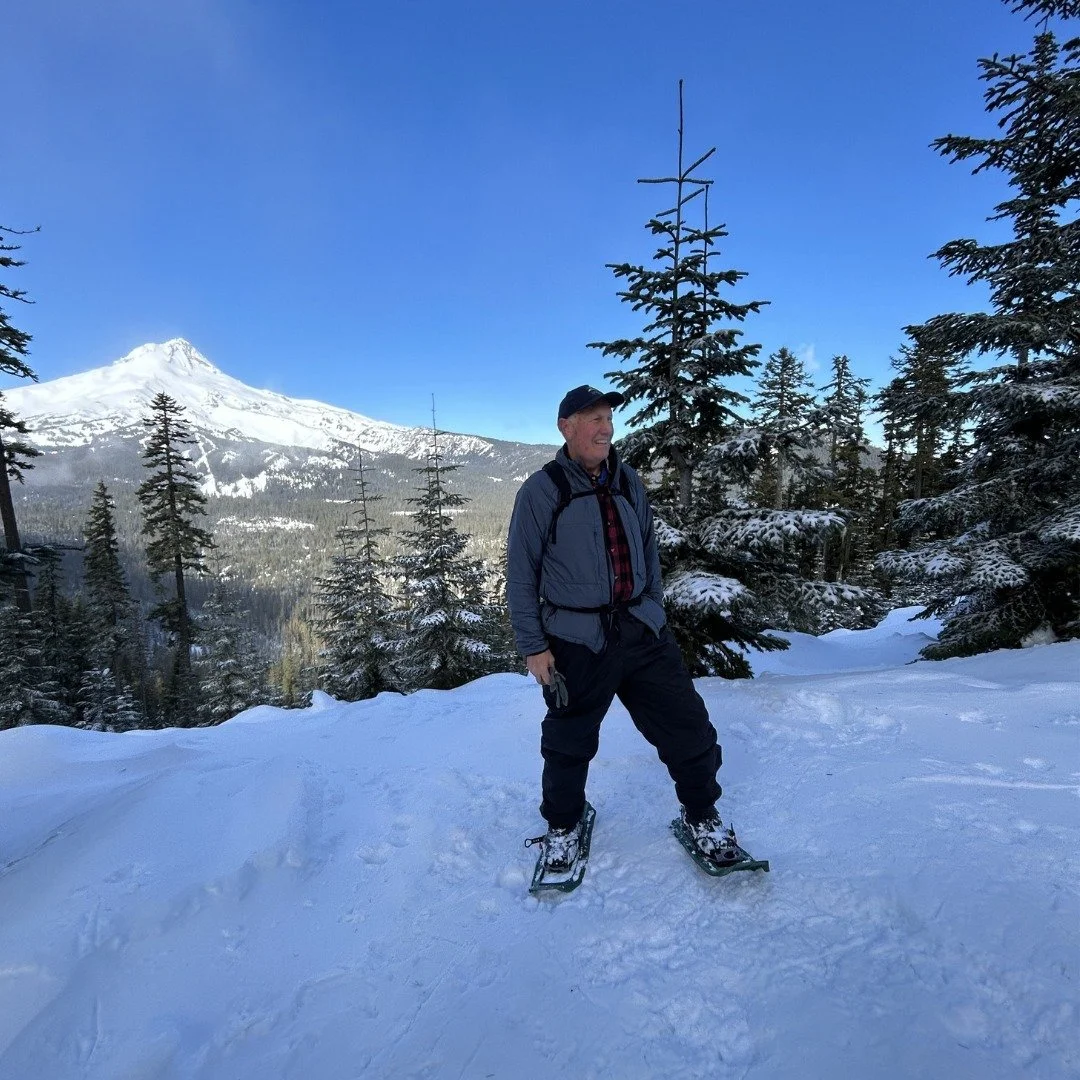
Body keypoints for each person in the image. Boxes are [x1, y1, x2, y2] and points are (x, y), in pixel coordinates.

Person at [507, 383, 736, 872]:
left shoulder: (628, 480)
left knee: (688, 727)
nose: (605, 428)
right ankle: (563, 826)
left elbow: (649, 551)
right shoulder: (542, 490)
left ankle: (703, 814)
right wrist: (533, 646)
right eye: (594, 419)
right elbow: (521, 574)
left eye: (608, 418)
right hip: (577, 640)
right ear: (566, 428)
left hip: (642, 631)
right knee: (568, 742)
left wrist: (653, 609)